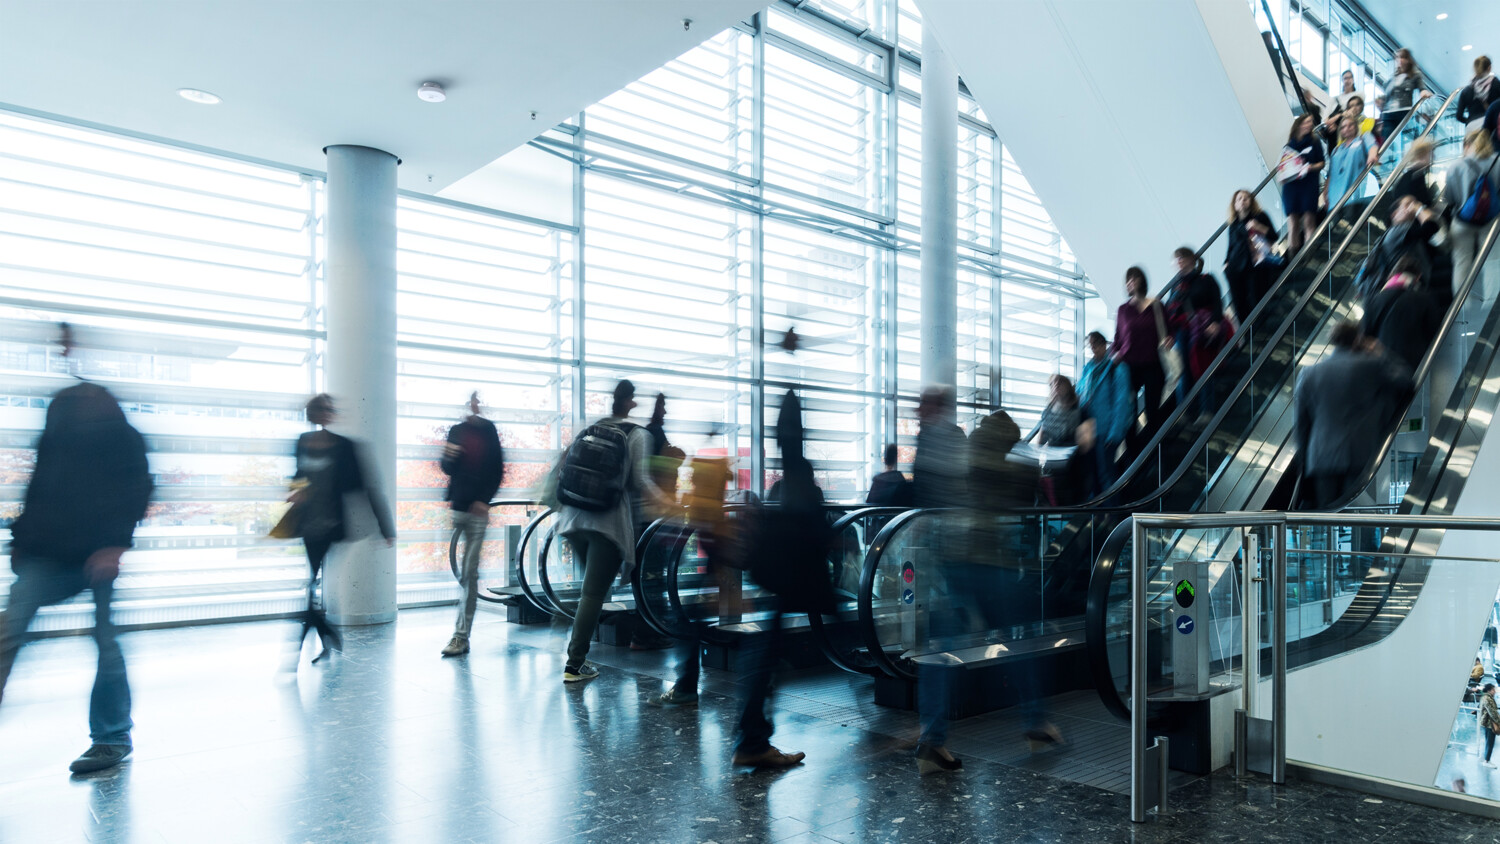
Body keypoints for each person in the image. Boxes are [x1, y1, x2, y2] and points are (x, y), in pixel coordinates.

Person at [0, 325, 153, 774]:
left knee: (105, 642)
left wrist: (113, 546)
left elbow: (137, 487)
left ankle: (111, 737)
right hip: (48, 552)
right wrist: (22, 543)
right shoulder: (58, 434)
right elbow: (39, 488)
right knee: (8, 633)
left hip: (96, 556)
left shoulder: (121, 437)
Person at [915, 410, 1053, 774]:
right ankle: (1036, 724)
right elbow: (1030, 499)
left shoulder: (965, 450)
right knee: (1021, 643)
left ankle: (931, 740)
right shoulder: (1016, 456)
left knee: (940, 650)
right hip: (993, 562)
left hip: (952, 558)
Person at [553, 379, 674, 683]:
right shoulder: (638, 435)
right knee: (593, 594)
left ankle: (566, 630)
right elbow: (641, 482)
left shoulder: (593, 428)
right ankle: (575, 663)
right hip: (605, 524)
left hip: (572, 519)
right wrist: (670, 504)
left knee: (591, 592)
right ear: (631, 402)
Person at [734, 391, 822, 768]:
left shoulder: (786, 477)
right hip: (789, 574)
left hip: (778, 574)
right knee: (766, 653)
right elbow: (809, 523)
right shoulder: (798, 471)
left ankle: (754, 738)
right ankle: (753, 741)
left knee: (765, 651)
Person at [291, 394, 396, 662]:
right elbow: (298, 478)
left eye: (329, 409)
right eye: (321, 409)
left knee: (314, 584)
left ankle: (310, 640)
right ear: (313, 413)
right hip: (307, 525)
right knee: (314, 585)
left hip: (331, 526)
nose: (327, 413)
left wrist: (385, 526)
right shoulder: (302, 442)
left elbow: (368, 486)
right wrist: (294, 492)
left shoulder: (345, 446)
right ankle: (330, 638)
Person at [1294, 321, 1414, 509]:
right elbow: (1406, 380)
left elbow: (1302, 425)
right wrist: (1382, 352)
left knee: (1325, 518)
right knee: (1357, 516)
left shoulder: (1308, 373)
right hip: (1359, 456)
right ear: (1358, 339)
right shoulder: (1371, 366)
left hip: (1320, 459)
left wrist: (1305, 462)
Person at [657, 433, 732, 707]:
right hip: (716, 564)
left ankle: (686, 688)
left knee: (689, 624)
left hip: (716, 563)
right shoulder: (712, 501)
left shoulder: (706, 504)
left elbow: (711, 537)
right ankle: (686, 686)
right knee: (691, 623)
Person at [439, 391, 504, 657]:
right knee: (464, 574)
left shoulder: (489, 432)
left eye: (479, 401)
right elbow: (446, 467)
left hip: (477, 511)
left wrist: (484, 501)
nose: (475, 405)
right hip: (457, 508)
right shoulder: (456, 431)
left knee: (469, 574)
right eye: (472, 401)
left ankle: (460, 636)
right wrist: (451, 456)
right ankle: (460, 635)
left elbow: (497, 469)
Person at [1112, 267, 1170, 450]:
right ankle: (1133, 455)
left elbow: (1169, 330)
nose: (1130, 283)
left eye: (1134, 279)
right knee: (1130, 412)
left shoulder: (1156, 305)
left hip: (1153, 364)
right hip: (1130, 367)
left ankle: (1154, 452)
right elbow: (1118, 338)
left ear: (1141, 280)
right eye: (1128, 281)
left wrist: (1169, 339)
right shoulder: (1123, 310)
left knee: (1153, 412)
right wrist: (1115, 353)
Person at [1443, 128, 1500, 306]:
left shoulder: (1455, 166)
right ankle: (1489, 305)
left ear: (1466, 144)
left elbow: (1449, 198)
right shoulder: (1498, 161)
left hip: (1462, 221)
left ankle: (1463, 307)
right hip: (1491, 220)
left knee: (1461, 263)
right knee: (1492, 261)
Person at [1356, 195, 1441, 307]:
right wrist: (1419, 208)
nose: (1412, 206)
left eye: (1414, 202)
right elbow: (1431, 227)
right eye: (1407, 204)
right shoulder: (1397, 230)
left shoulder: (1405, 231)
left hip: (1404, 288)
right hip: (1402, 289)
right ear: (1395, 215)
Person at [1362, 255, 1443, 370]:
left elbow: (1366, 336)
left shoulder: (1371, 301)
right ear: (1418, 276)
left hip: (1381, 364)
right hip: (1415, 364)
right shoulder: (1425, 298)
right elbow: (1434, 330)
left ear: (1393, 274)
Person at [1077, 331, 1132, 496]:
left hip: (1106, 430)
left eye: (1095, 344)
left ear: (1103, 345)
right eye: (1090, 345)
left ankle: (1113, 515)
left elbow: (1121, 402)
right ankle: (1098, 517)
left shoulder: (1116, 367)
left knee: (1107, 474)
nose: (1092, 348)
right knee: (1092, 476)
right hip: (1089, 430)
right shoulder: (1088, 368)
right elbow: (1080, 393)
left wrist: (1115, 433)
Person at [1225, 189, 1278, 326]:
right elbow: (1230, 247)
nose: (1242, 201)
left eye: (1246, 198)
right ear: (1235, 205)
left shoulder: (1260, 216)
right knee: (1239, 304)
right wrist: (1226, 263)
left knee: (1256, 299)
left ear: (1251, 201)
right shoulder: (1233, 226)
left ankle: (1261, 329)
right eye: (1239, 199)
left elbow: (1274, 236)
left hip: (1256, 265)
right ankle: (1248, 333)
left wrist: (1258, 226)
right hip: (1235, 268)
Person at [1037, 375, 1089, 505]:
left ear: (1067, 386)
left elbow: (1084, 441)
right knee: (1057, 498)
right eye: (1052, 384)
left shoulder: (1078, 410)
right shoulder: (1048, 411)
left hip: (1073, 463)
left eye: (1059, 383)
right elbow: (1042, 436)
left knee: (1070, 497)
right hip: (1054, 462)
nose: (1056, 386)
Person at [912, 385, 967, 508]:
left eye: (924, 403)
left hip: (947, 508)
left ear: (936, 406)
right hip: (929, 508)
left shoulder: (954, 434)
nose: (919, 409)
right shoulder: (924, 435)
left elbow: (961, 473)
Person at [1280, 114, 1325, 255]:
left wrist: (1310, 167)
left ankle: (1308, 256)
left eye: (1311, 123)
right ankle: (1293, 258)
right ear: (1299, 124)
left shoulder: (1314, 142)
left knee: (1309, 221)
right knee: (1292, 223)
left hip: (1308, 185)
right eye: (1306, 122)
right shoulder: (1288, 146)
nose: (1309, 125)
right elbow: (1282, 167)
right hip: (1291, 187)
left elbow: (1322, 163)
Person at [1324, 116, 1379, 222]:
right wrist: (1325, 193)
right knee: (1336, 230)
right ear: (1340, 131)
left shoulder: (1363, 138)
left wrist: (1372, 155)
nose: (1347, 128)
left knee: (1352, 223)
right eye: (1343, 126)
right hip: (1334, 198)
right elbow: (1330, 173)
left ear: (1356, 126)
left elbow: (1372, 146)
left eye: (1350, 125)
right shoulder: (1336, 149)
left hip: (1353, 194)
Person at [1378, 48, 1430, 142]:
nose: (1400, 60)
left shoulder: (1414, 75)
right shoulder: (1393, 77)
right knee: (1388, 142)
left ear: (1408, 60)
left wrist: (1424, 92)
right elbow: (1387, 95)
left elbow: (1422, 88)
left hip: (1404, 112)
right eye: (1397, 57)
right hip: (1389, 114)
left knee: (1409, 139)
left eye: (1403, 57)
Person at [1390, 138, 1437, 208]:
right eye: (1431, 152)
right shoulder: (1413, 178)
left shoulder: (1416, 174)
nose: (1434, 156)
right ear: (1422, 155)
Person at [1458, 56, 1497, 132]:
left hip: (1471, 129)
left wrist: (1470, 121)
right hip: (1489, 127)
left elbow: (1459, 116)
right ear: (1489, 68)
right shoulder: (1495, 84)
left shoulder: (1466, 90)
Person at [1480, 683, 1500, 768]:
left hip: (1487, 723)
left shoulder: (1486, 697)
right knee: (1490, 742)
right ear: (1489, 690)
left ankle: (1486, 759)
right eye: (1493, 690)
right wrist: (1499, 722)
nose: (1495, 691)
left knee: (1489, 742)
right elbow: (1493, 713)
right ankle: (1487, 761)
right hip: (1489, 724)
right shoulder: (1487, 699)